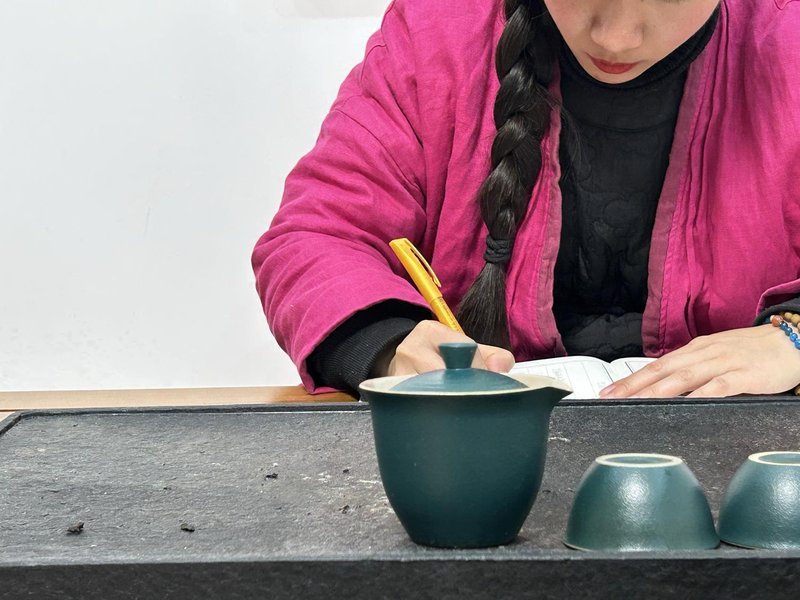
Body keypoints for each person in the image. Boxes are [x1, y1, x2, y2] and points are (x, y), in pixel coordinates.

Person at [252, 0, 800, 399]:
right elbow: (315, 238)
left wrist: (792, 339)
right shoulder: (437, 33)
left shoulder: (788, 40)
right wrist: (391, 343)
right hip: (477, 454)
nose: (617, 38)